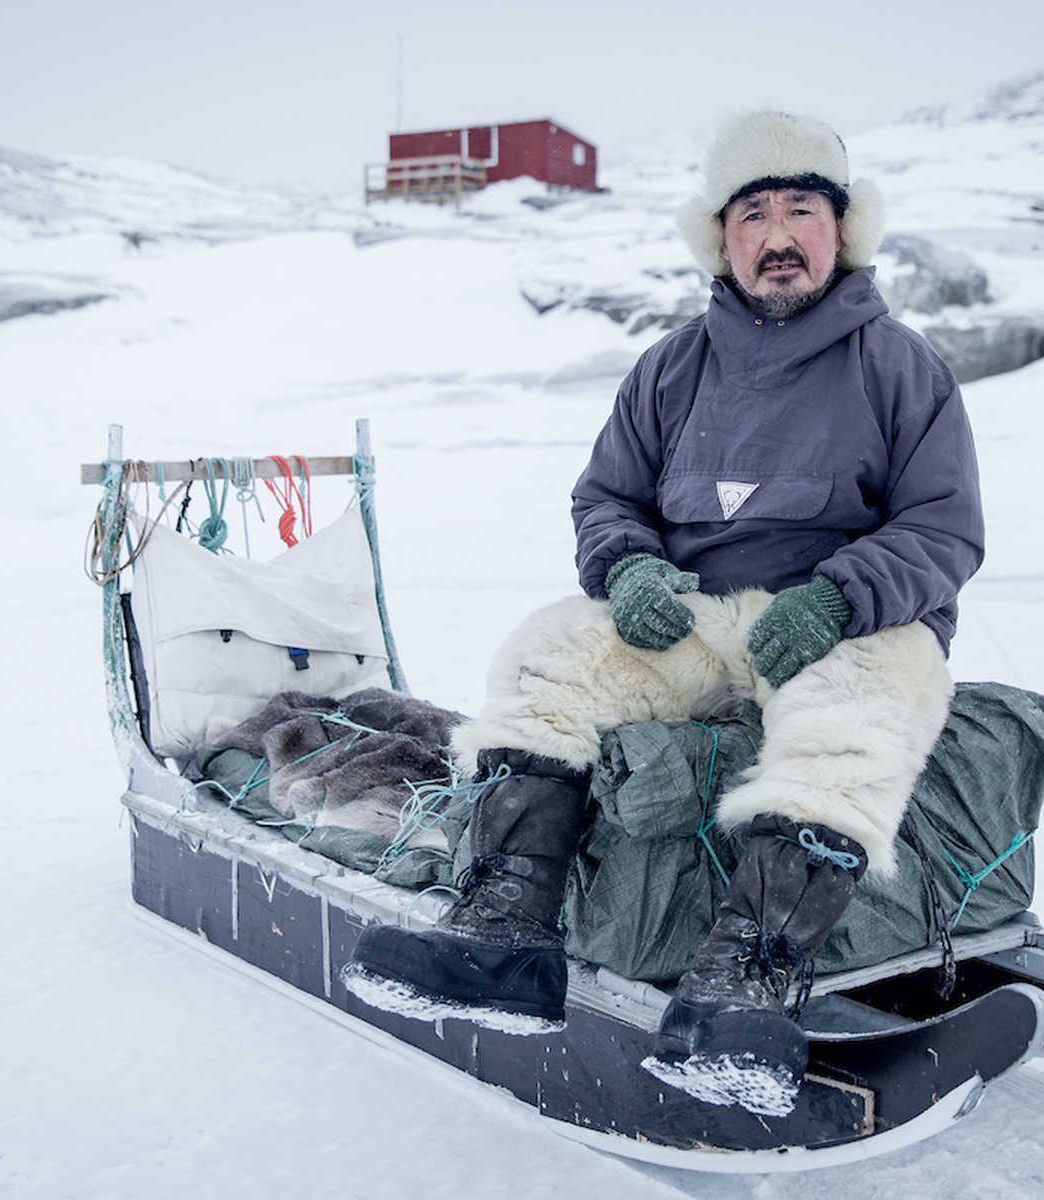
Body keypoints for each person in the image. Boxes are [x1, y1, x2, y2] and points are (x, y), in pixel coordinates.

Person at [343, 110, 984, 1115]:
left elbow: (946, 532)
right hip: (698, 625)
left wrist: (838, 595)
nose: (778, 235)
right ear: (720, 239)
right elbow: (606, 499)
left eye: (802, 210)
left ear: (842, 230)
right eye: (754, 214)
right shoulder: (671, 366)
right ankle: (503, 935)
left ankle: (743, 987)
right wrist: (630, 569)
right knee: (550, 654)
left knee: (862, 714)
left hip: (847, 630)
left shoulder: (902, 367)